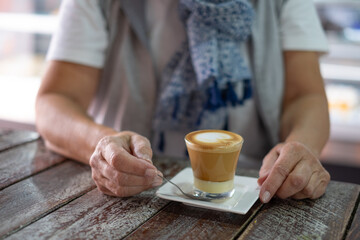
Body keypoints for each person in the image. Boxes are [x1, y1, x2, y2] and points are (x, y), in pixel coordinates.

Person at [35, 0, 331, 203]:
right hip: (133, 196)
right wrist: (104, 145)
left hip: (255, 193)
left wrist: (301, 148)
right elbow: (55, 100)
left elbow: (305, 96)